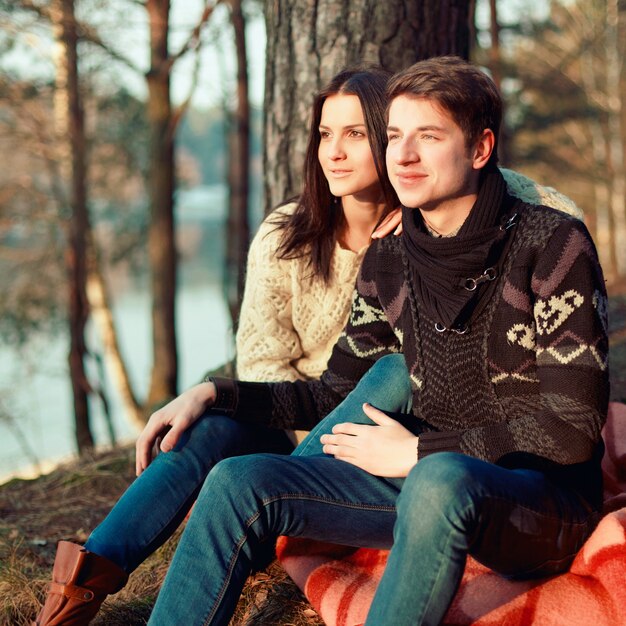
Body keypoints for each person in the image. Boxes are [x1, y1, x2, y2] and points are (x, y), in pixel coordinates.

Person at [34, 59, 596, 625]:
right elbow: (335, 391)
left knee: (438, 477)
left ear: (480, 150)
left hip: (533, 502)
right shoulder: (391, 256)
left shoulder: (552, 244)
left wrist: (419, 453)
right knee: (238, 479)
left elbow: (572, 431)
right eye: (395, 137)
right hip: (408, 479)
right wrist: (215, 393)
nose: (403, 156)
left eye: (428, 138)